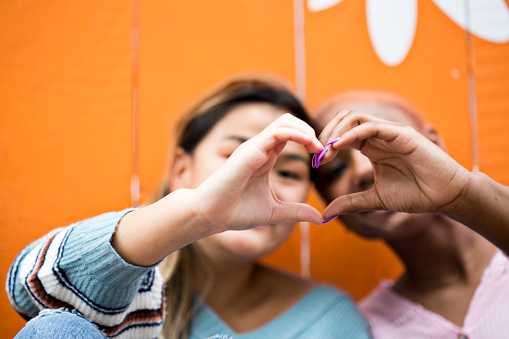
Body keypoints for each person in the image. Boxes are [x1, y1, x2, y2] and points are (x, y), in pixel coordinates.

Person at [7, 77, 370, 339]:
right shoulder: (135, 289)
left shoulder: (328, 318)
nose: (262, 180)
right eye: (236, 156)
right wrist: (195, 215)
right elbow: (28, 292)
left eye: (289, 171)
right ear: (182, 169)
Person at [311, 90, 509, 338]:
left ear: (434, 144)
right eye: (336, 169)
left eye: (378, 141)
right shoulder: (364, 328)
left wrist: (461, 193)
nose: (362, 170)